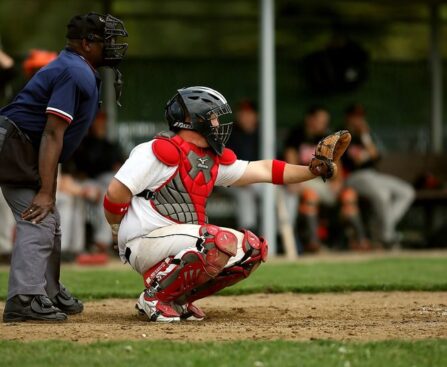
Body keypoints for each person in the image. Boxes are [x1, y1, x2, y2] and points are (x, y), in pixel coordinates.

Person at [104, 86, 350, 322]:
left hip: (179, 243)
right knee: (217, 242)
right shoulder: (155, 151)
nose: (217, 124)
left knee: (253, 250)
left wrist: (311, 170)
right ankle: (154, 298)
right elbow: (116, 193)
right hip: (145, 241)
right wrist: (116, 230)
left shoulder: (207, 159)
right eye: (211, 117)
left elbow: (264, 169)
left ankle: (176, 299)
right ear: (192, 119)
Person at [0, 12, 128, 322]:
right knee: (39, 218)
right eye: (105, 40)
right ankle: (26, 298)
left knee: (50, 220)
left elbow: (52, 141)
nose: (112, 46)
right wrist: (45, 191)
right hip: (13, 145)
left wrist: (49, 191)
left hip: (20, 145)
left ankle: (47, 290)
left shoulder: (76, 66)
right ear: (86, 43)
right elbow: (53, 132)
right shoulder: (74, 71)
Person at [284, 105, 368, 252]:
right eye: (320, 120)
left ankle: (360, 241)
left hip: (326, 185)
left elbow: (337, 167)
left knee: (349, 196)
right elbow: (291, 164)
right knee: (310, 196)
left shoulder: (328, 138)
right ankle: (313, 243)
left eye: (325, 121)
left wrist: (337, 182)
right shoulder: (296, 136)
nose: (323, 124)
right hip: (304, 181)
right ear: (310, 119)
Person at [342, 103, 415, 246]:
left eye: (361, 117)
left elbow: (375, 155)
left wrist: (365, 135)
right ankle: (388, 236)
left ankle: (381, 227)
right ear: (348, 118)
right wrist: (366, 152)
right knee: (383, 195)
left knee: (407, 191)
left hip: (372, 175)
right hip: (354, 177)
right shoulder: (342, 134)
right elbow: (356, 160)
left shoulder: (366, 135)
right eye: (355, 117)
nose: (359, 120)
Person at [225, 99, 261, 232]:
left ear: (255, 116)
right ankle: (249, 235)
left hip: (257, 179)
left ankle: (280, 234)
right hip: (233, 178)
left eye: (249, 113)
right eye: (242, 113)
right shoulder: (229, 133)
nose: (245, 117)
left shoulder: (263, 133)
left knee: (277, 192)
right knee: (245, 194)